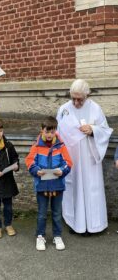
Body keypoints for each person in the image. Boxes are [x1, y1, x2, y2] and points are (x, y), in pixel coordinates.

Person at [57, 79, 113, 235]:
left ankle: (94, 225)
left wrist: (93, 129)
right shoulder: (64, 109)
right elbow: (58, 133)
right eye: (73, 98)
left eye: (79, 99)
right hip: (72, 158)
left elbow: (105, 130)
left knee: (91, 189)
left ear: (86, 95)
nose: (75, 102)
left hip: (89, 159)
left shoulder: (95, 108)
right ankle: (75, 224)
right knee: (73, 188)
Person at [25, 116, 73, 251]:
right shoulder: (36, 146)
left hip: (57, 184)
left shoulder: (61, 146)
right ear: (42, 130)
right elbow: (29, 161)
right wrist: (36, 170)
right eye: (47, 132)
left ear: (55, 131)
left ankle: (57, 236)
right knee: (42, 213)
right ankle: (40, 236)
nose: (49, 135)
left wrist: (62, 171)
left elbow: (68, 163)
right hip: (42, 185)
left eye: (52, 132)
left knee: (57, 213)